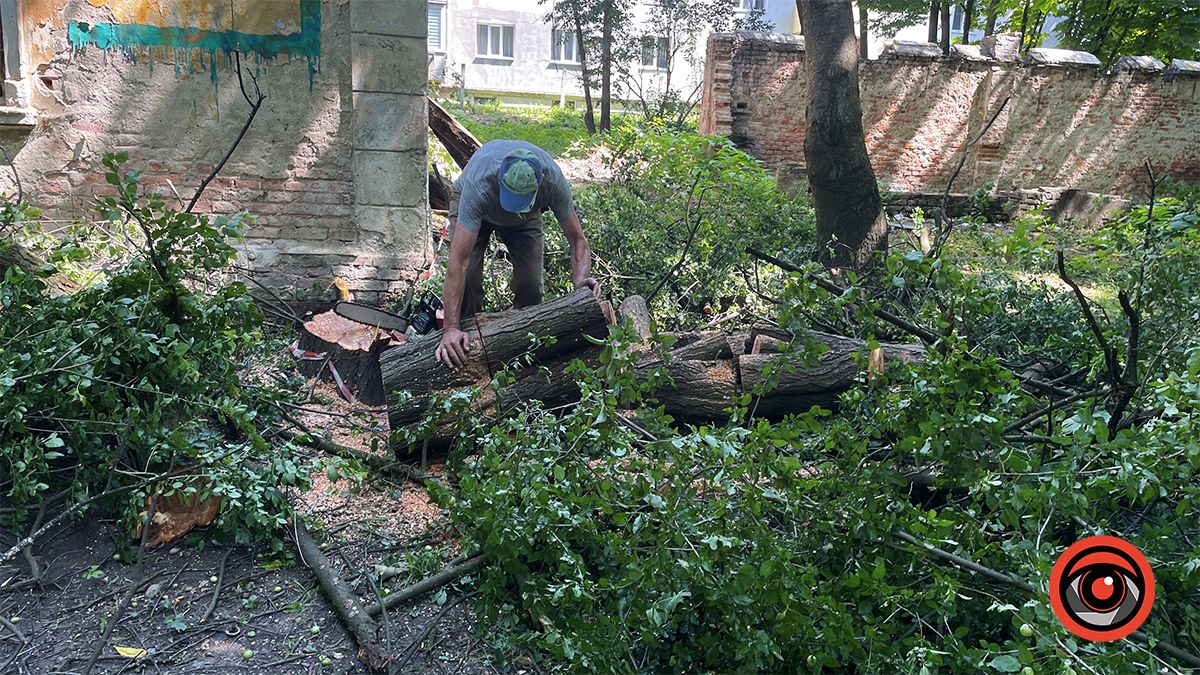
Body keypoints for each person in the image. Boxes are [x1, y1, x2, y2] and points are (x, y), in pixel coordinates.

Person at [435, 140, 599, 369]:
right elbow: (458, 261)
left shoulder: (553, 180)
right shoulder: (479, 186)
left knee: (531, 285)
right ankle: (463, 346)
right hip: (477, 209)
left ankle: (523, 351)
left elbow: (577, 239)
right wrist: (450, 327)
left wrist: (580, 281)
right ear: (500, 178)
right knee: (470, 278)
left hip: (526, 218)